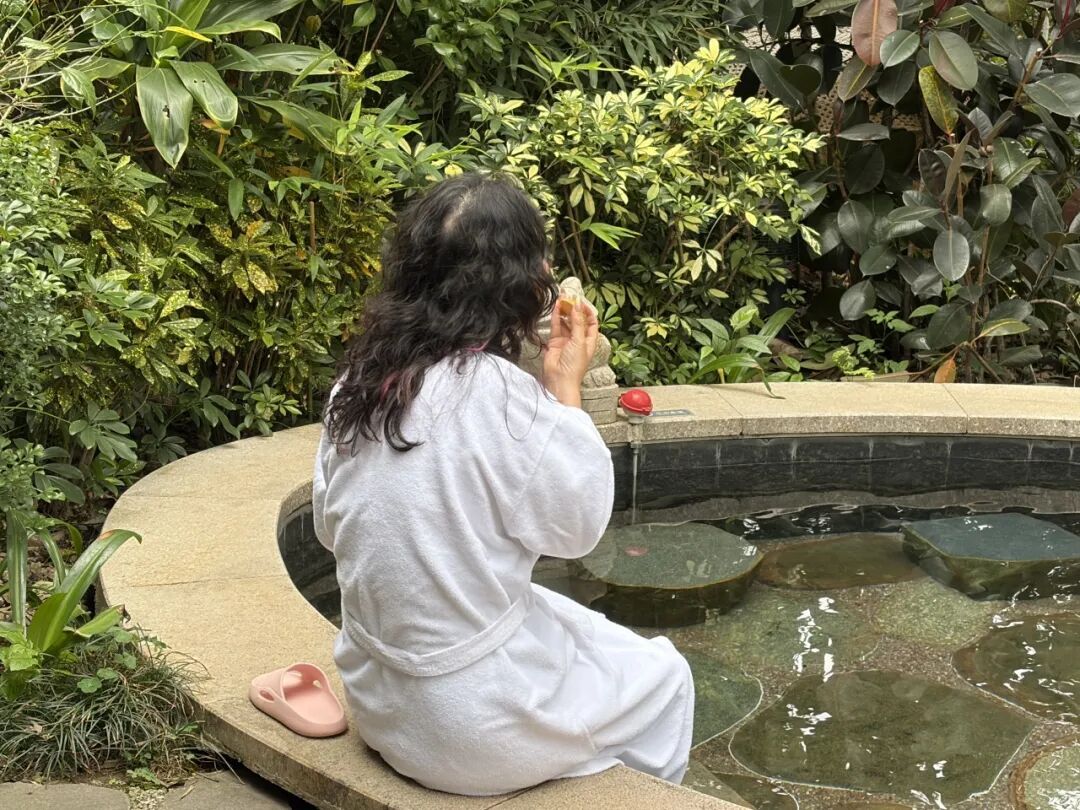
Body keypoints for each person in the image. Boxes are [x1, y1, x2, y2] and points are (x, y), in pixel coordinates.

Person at [312, 173, 694, 796]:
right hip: (471, 730)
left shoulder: (358, 385)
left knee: (566, 619)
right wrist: (565, 388)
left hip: (380, 703)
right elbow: (577, 531)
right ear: (519, 283)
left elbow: (333, 530)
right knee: (666, 679)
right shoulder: (504, 398)